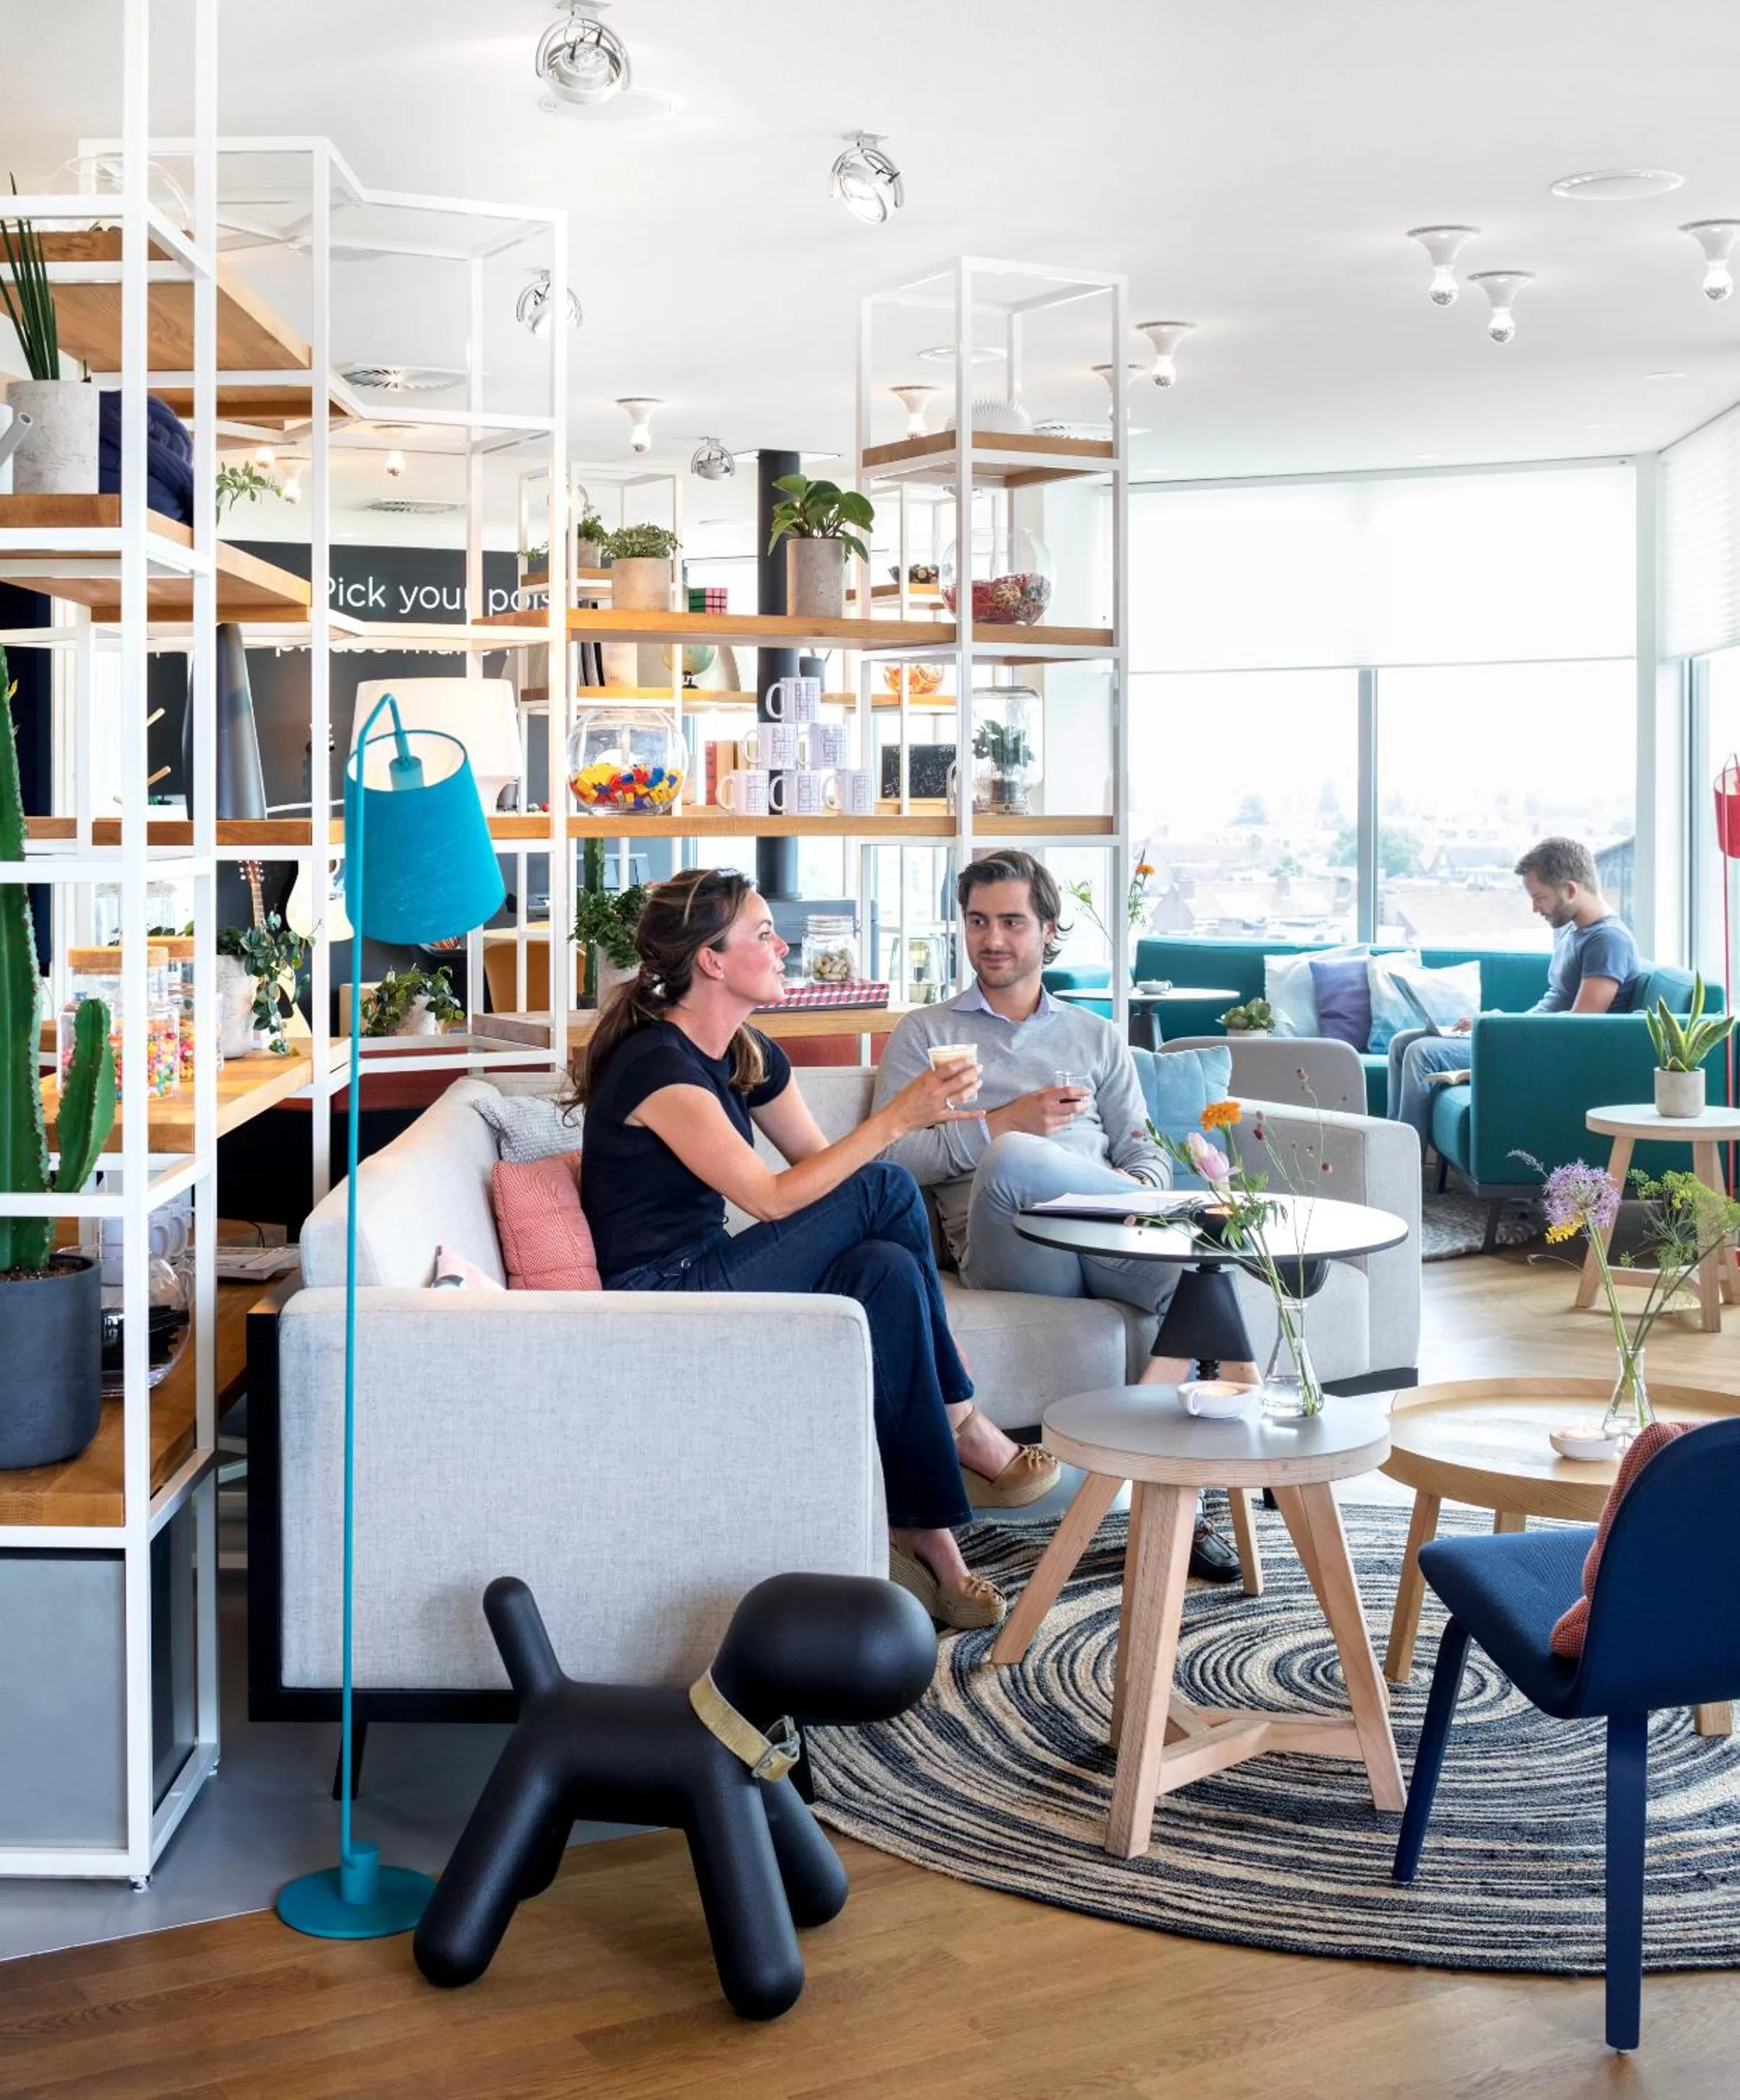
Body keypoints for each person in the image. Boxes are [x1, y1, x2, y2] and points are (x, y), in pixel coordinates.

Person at [571, 867, 1059, 1634]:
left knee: (887, 1266)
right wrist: (900, 1119)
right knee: (890, 1192)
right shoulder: (656, 1067)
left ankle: (925, 1534)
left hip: (710, 1276)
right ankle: (964, 1425)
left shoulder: (744, 1050)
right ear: (712, 960)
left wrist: (916, 1122)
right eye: (762, 934)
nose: (781, 944)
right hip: (663, 1302)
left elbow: (827, 1174)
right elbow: (767, 1198)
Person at [871, 849, 1248, 1582]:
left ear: (1048, 931)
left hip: (1107, 1236)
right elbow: (889, 1163)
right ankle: (1200, 1224)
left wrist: (1120, 1183)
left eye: (1013, 921)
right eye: (978, 921)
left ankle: (1186, 1509)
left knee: (1206, 1287)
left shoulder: (1097, 1037)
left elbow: (1144, 1152)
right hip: (1009, 1245)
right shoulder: (926, 1033)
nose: (993, 939)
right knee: (1014, 1156)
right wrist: (996, 1124)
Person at [1387, 835, 1641, 1153]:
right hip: (1525, 1036)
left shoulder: (1608, 941)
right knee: (1402, 1043)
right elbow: (1551, 1010)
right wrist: (1495, 1021)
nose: (1535, 908)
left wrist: (1501, 1030)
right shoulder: (1576, 934)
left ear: (1571, 889)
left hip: (1539, 1051)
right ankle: (1391, 1152)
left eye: (1540, 897)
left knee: (1421, 1053)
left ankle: (1404, 1164)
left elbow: (1579, 1028)